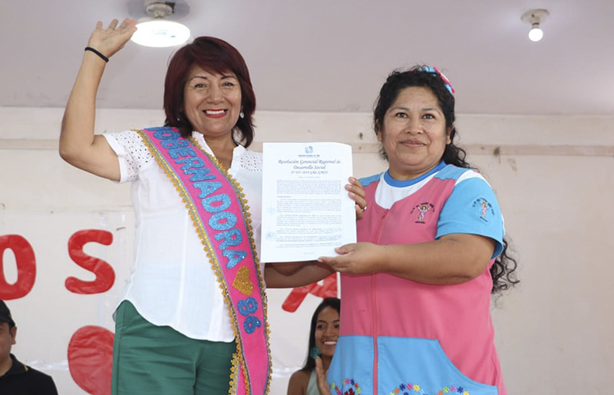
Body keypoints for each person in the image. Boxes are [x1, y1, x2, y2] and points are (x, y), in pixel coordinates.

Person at [59, 19, 366, 394]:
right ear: (179, 96)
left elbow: (276, 269)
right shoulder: (153, 150)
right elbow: (75, 148)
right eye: (199, 84)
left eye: (227, 83)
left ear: (243, 95)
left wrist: (337, 223)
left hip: (232, 341)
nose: (215, 96)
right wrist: (97, 56)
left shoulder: (268, 171)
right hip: (154, 331)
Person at [315, 66, 519, 395]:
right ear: (379, 129)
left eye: (428, 116)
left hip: (444, 381)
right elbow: (303, 263)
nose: (414, 128)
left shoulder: (463, 186)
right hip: (357, 383)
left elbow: (466, 259)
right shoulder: (354, 194)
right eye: (400, 115)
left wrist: (378, 258)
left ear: (448, 131)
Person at [287, 297, 340, 395]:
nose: (328, 333)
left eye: (337, 326)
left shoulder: (364, 378)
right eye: (321, 326)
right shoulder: (300, 380)